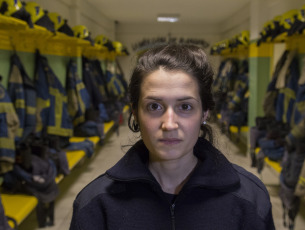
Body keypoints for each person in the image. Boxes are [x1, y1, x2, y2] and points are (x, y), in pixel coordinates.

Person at [70, 44, 275, 230]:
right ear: (135, 113)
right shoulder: (96, 203)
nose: (169, 124)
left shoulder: (250, 198)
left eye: (185, 107)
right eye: (154, 106)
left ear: (204, 113)